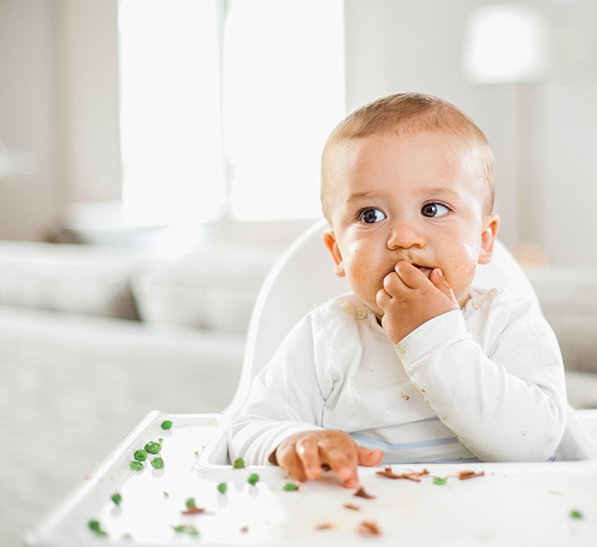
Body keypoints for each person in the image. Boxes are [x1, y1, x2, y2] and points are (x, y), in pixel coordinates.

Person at [228, 92, 567, 489]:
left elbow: (537, 442)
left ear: (484, 238)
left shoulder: (507, 324)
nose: (403, 238)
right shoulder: (326, 336)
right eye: (370, 215)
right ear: (338, 252)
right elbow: (248, 427)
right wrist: (292, 440)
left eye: (433, 209)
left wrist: (432, 338)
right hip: (357, 519)